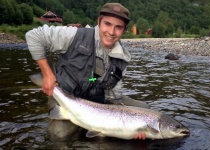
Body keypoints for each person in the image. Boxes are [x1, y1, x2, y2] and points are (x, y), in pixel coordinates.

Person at [26, 3, 149, 140]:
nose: (111, 32)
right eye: (107, 24)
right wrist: (48, 74)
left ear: (124, 30)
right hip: (66, 97)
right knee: (60, 137)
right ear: (99, 22)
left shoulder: (122, 59)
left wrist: (133, 128)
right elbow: (34, 36)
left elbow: (113, 97)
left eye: (118, 27)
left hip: (96, 104)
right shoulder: (74, 35)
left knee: (145, 109)